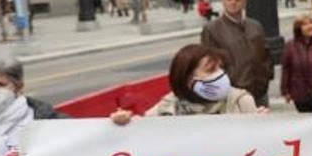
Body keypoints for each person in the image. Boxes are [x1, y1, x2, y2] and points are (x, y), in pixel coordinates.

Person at [112, 45, 261, 120]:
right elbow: (142, 131)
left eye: (220, 68)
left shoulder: (241, 102)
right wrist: (125, 121)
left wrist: (263, 126)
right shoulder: (168, 107)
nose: (220, 75)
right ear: (188, 80)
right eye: (211, 70)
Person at [200, 0, 274, 108]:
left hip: (260, 90)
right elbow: (209, 62)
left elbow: (266, 53)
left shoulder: (255, 25)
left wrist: (266, 76)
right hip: (234, 93)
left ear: (244, 3)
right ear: (223, 2)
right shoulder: (212, 29)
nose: (233, 2)